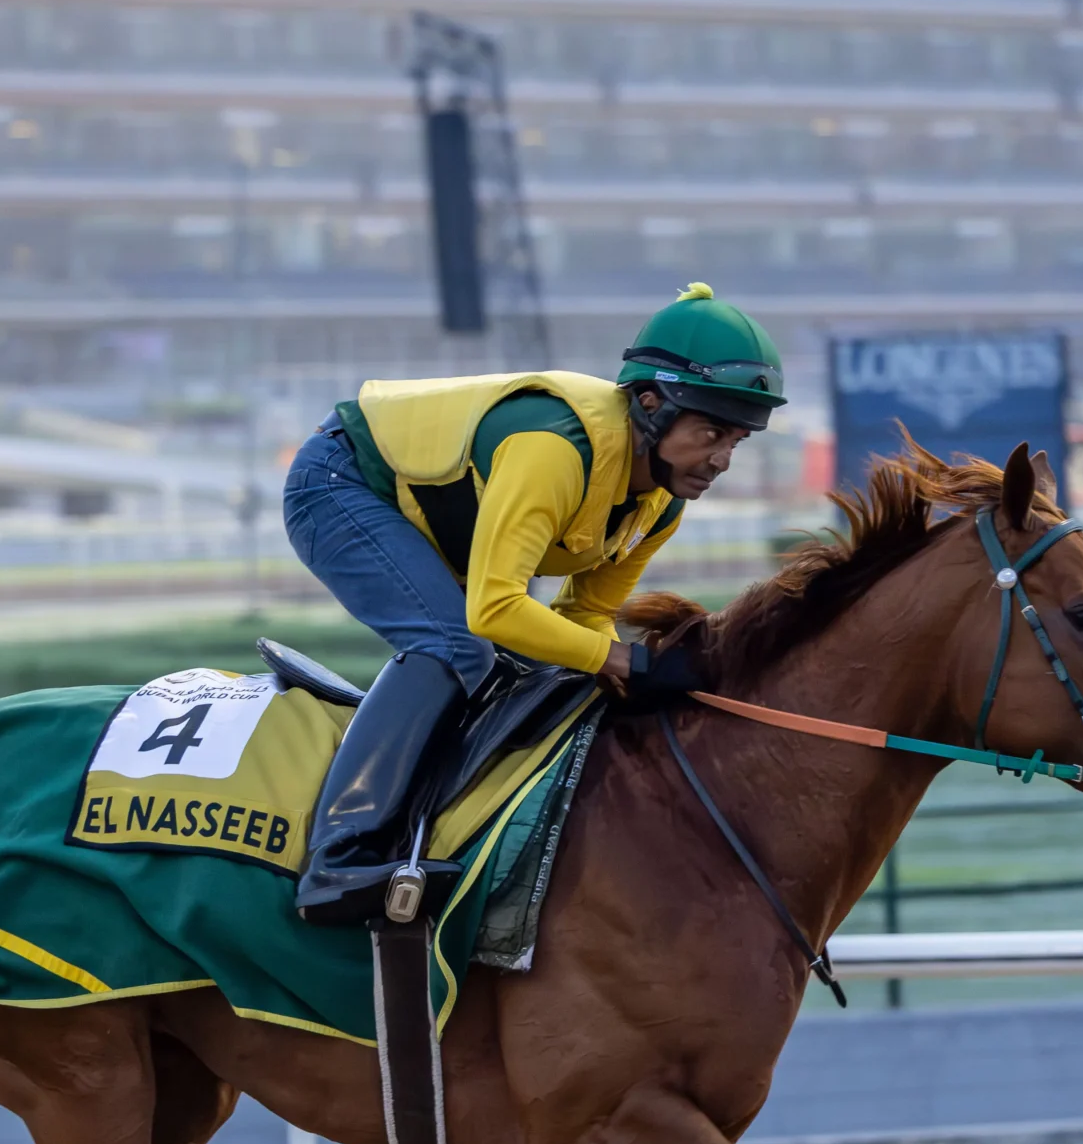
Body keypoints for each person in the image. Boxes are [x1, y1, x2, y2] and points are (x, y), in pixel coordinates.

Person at [281, 282, 783, 924]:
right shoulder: (553, 449)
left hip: (429, 518)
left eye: (737, 440)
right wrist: (629, 664)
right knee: (452, 645)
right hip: (341, 483)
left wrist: (619, 669)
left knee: (533, 669)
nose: (722, 460)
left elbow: (583, 621)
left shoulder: (661, 504)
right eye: (711, 432)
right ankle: (338, 857)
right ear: (650, 405)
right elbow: (493, 611)